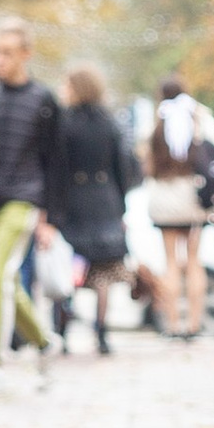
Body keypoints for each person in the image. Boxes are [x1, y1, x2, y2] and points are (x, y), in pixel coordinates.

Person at [0, 16, 62, 370]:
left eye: (6, 53)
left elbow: (54, 163)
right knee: (3, 281)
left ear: (25, 54)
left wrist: (49, 217)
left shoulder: (44, 101)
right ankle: (44, 342)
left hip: (24, 201)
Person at [49, 62, 139, 356]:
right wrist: (121, 208)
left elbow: (57, 169)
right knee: (103, 274)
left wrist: (52, 211)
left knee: (67, 269)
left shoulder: (63, 123)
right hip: (105, 202)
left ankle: (60, 330)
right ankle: (101, 332)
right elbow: (122, 168)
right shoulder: (110, 123)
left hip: (72, 203)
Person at [142, 74, 214, 337]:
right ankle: (194, 324)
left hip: (164, 199)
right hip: (194, 199)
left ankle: (174, 324)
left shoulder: (156, 122)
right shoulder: (200, 117)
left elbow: (143, 160)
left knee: (170, 262)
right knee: (193, 261)